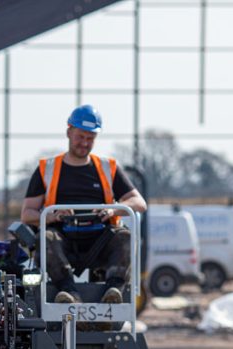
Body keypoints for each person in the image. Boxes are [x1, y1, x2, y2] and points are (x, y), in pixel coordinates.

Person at [20, 104, 147, 305]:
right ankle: (68, 292)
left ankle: (114, 291)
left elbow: (139, 203)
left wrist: (113, 209)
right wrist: (52, 216)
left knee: (125, 237)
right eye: (80, 137)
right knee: (45, 238)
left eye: (90, 138)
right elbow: (27, 214)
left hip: (100, 240)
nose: (85, 143)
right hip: (63, 240)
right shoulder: (47, 169)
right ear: (69, 132)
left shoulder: (108, 167)